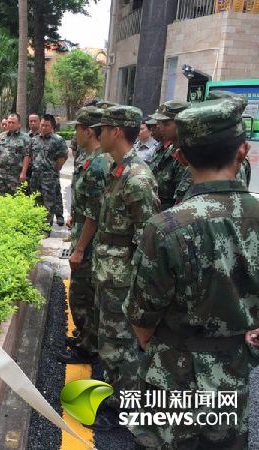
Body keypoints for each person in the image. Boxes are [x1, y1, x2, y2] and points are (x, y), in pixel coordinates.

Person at [124, 92, 259, 449]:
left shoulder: (165, 228)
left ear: (181, 157)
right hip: (232, 376)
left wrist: (166, 349)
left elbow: (141, 317)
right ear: (243, 151)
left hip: (170, 376)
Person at [90, 105, 159, 428]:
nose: (98, 134)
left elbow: (147, 239)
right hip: (109, 271)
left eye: (103, 129)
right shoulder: (117, 169)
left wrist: (139, 286)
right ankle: (117, 397)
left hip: (122, 276)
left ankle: (129, 412)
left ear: (116, 132)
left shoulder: (137, 177)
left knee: (122, 345)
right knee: (110, 341)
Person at [58, 106, 110, 365]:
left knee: (82, 295)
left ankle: (88, 348)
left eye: (77, 128)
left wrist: (79, 249)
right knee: (83, 293)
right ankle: (84, 337)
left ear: (88, 131)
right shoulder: (90, 157)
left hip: (89, 243)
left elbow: (95, 213)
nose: (75, 133)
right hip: (83, 234)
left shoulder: (99, 162)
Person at [148, 101, 191, 210]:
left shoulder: (189, 155)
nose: (160, 127)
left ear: (181, 124)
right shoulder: (169, 150)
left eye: (166, 123)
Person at [29, 114, 68, 227]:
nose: (43, 127)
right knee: (36, 201)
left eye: (46, 125)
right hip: (35, 177)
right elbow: (30, 155)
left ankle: (46, 228)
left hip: (49, 177)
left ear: (52, 127)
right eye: (42, 125)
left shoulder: (58, 140)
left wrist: (54, 169)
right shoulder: (34, 139)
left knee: (49, 203)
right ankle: (36, 225)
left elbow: (62, 157)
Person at [0, 113, 30, 195]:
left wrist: (23, 172)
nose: (10, 124)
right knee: (0, 197)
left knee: (16, 197)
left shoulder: (25, 138)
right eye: (9, 122)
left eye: (13, 123)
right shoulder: (0, 137)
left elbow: (27, 156)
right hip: (2, 173)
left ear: (19, 124)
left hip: (16, 174)